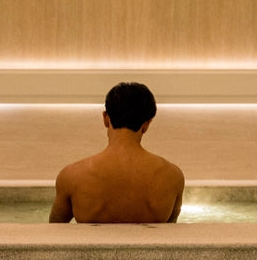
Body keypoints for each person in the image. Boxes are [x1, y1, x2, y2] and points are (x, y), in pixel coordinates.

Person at [49, 82, 184, 223]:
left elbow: (55, 231)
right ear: (147, 124)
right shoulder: (172, 177)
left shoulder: (72, 176)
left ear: (106, 118)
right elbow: (170, 234)